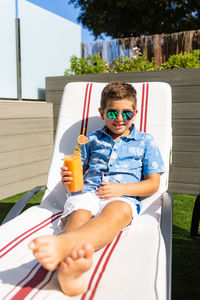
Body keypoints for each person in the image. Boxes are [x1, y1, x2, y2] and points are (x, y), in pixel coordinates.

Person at [29, 81, 164, 296]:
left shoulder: (146, 141)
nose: (120, 119)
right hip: (88, 192)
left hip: (123, 197)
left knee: (115, 214)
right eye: (112, 114)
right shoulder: (90, 140)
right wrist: (69, 177)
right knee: (79, 214)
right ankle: (68, 269)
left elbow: (153, 184)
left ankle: (63, 247)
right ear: (102, 113)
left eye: (126, 114)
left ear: (135, 113)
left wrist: (122, 189)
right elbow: (78, 174)